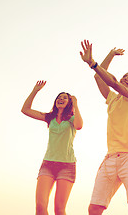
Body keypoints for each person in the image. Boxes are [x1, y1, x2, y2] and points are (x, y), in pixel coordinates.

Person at [79, 40, 128, 215]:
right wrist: (110, 54)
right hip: (110, 159)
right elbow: (99, 78)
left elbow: (113, 83)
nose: (125, 78)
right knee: (94, 208)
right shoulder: (112, 99)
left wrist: (93, 63)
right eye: (125, 76)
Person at [21, 81, 83, 215]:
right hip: (48, 164)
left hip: (67, 166)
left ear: (69, 102)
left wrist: (76, 104)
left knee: (59, 210)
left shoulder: (72, 119)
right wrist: (35, 91)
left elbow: (79, 125)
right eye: (59, 97)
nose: (61, 99)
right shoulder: (50, 118)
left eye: (64, 97)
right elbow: (25, 110)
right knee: (40, 207)